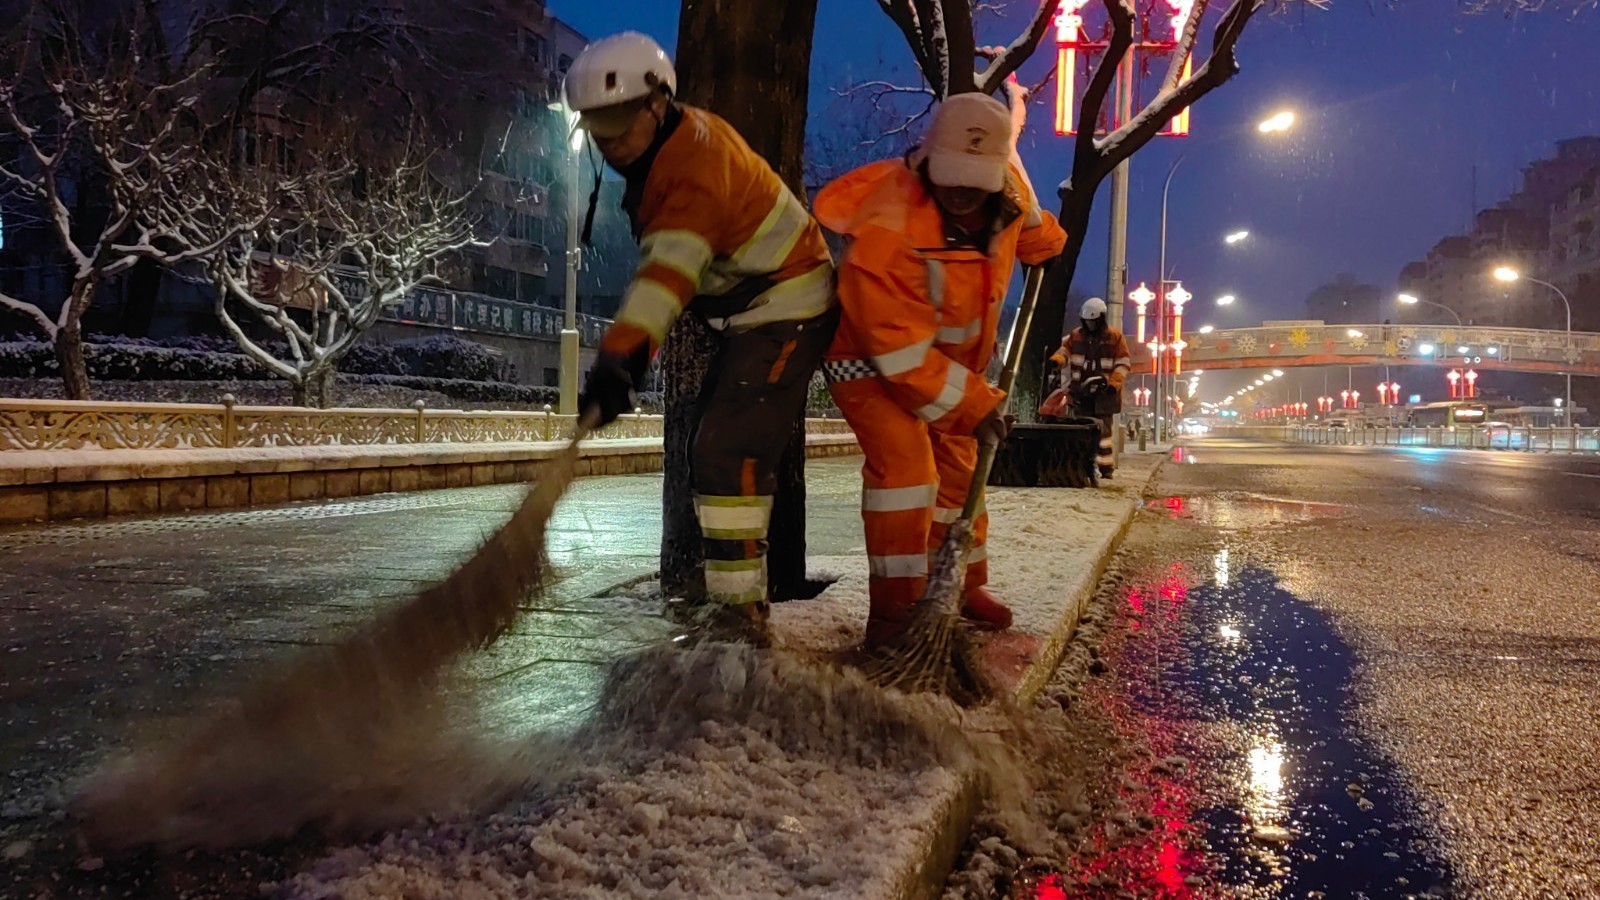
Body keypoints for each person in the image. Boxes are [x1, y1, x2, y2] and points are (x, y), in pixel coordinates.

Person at [565, 32, 836, 642]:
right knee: (709, 449)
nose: (609, 144)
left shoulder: (691, 165)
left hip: (787, 300)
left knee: (725, 450)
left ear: (658, 105)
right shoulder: (667, 150)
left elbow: (667, 272)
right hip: (748, 309)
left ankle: (741, 622)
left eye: (619, 126)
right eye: (597, 130)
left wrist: (621, 360)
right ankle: (733, 607)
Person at [812, 92, 1066, 648]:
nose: (960, 195)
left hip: (947, 364)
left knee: (958, 471)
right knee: (908, 475)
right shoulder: (887, 232)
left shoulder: (1007, 199)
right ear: (927, 159)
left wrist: (1043, 239)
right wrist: (974, 404)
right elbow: (899, 356)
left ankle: (959, 584)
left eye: (975, 185)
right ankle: (895, 615)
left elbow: (1031, 232)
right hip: (868, 361)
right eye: (951, 179)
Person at [1049, 297, 1131, 479]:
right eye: (1087, 321)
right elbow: (1064, 350)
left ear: (1101, 319)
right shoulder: (1076, 336)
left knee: (1104, 434)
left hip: (1105, 395)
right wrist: (1057, 361)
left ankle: (1106, 469)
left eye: (1093, 321)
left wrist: (1113, 385)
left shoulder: (1115, 338)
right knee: (1082, 431)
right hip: (1081, 393)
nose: (1090, 325)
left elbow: (1122, 364)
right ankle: (1084, 467)